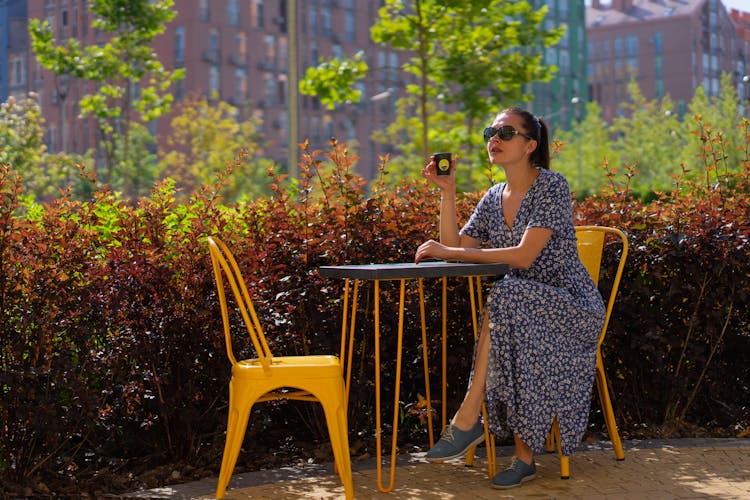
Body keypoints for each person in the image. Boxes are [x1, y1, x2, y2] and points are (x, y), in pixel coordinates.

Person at [414, 107, 605, 489]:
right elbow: (457, 246)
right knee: (509, 304)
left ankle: (469, 418)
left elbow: (522, 256)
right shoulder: (492, 197)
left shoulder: (552, 185)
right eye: (490, 132)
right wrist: (447, 194)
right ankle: (519, 457)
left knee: (506, 294)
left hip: (571, 307)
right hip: (518, 308)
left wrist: (450, 253)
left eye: (505, 133)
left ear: (530, 145)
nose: (494, 140)